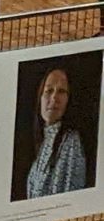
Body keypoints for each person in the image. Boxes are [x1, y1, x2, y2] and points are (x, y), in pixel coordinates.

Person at [26, 66, 90, 198]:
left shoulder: (71, 141)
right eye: (49, 90)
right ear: (40, 97)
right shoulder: (42, 144)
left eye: (61, 91)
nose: (54, 97)